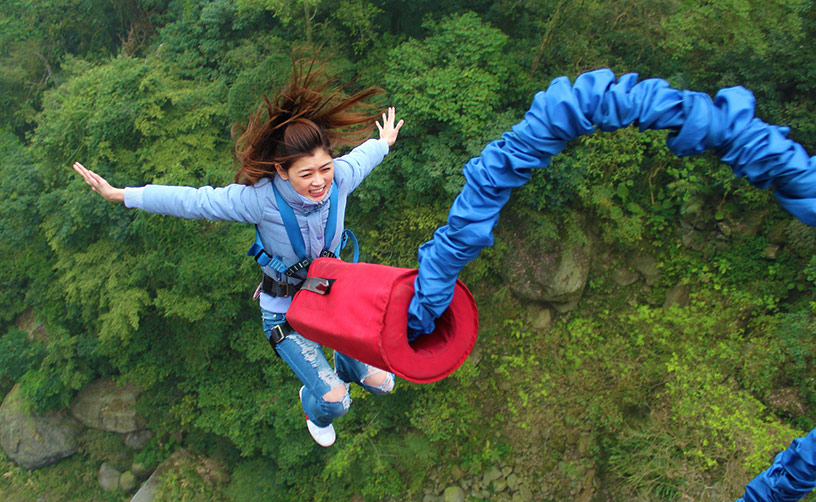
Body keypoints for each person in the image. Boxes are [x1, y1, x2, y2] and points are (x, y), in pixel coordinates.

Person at [71, 56, 404, 447]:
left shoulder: (339, 179)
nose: (320, 182)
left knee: (386, 384)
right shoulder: (259, 201)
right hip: (287, 313)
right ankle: (315, 398)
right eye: (306, 174)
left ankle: (345, 365)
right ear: (281, 171)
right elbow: (193, 201)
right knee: (335, 403)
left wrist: (383, 142)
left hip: (332, 301)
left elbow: (363, 157)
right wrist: (123, 195)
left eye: (325, 168)